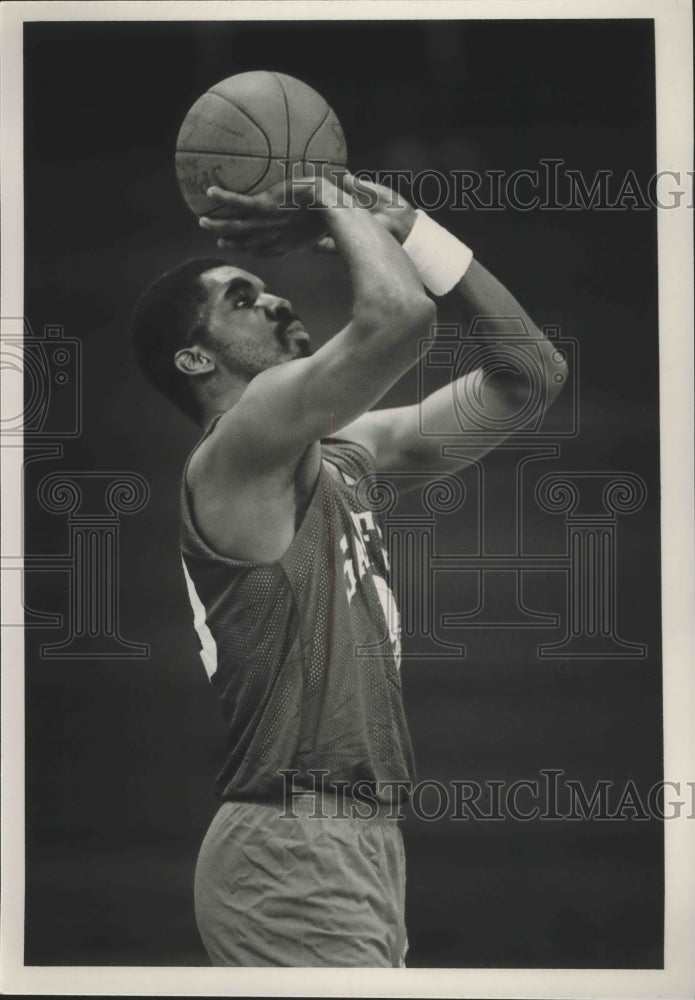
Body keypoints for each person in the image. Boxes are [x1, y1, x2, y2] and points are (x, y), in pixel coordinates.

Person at [130, 171, 567, 967]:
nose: (274, 302)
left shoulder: (342, 457)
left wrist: (415, 231)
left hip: (352, 838)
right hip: (293, 836)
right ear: (194, 357)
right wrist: (331, 192)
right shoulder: (235, 445)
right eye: (240, 298)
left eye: (266, 289)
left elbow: (529, 379)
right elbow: (397, 319)